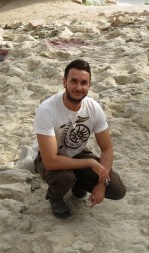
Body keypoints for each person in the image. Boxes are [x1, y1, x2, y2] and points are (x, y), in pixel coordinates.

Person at [33, 59, 126, 219]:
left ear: (89, 85)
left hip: (77, 152)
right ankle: (55, 196)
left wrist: (101, 184)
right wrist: (90, 162)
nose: (78, 87)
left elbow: (107, 149)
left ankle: (78, 182)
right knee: (64, 178)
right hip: (50, 156)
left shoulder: (93, 108)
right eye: (73, 81)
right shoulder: (47, 109)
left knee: (117, 189)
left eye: (84, 83)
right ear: (64, 82)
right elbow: (50, 161)